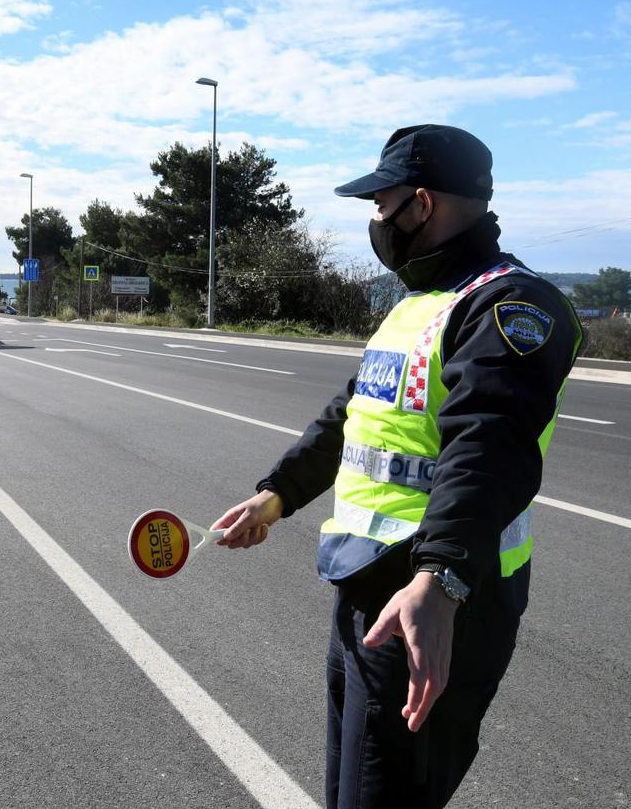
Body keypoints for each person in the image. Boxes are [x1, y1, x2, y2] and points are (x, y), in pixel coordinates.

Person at [213, 124, 583, 809]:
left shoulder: (512, 304)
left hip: (436, 601)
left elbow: (488, 445)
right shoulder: (419, 303)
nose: (376, 222)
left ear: (421, 203)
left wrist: (440, 578)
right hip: (367, 583)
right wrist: (277, 495)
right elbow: (353, 415)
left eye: (381, 206)